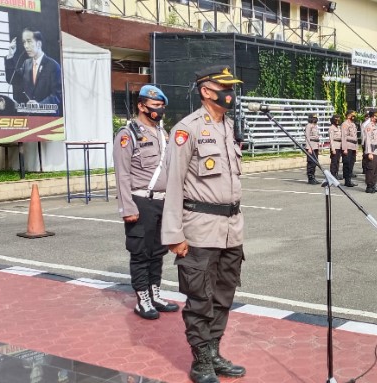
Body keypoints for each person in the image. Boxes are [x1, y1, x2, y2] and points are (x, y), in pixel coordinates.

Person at [161, 66, 246, 383]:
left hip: (231, 230)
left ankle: (213, 352)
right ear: (206, 91)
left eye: (231, 87)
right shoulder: (187, 129)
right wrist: (173, 234)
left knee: (223, 297)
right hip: (199, 230)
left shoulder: (229, 127)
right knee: (200, 300)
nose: (230, 92)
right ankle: (200, 363)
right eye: (225, 87)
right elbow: (173, 183)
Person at [113, 85, 178, 320]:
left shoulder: (163, 134)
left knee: (158, 252)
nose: (160, 111)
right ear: (142, 106)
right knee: (140, 253)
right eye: (155, 106)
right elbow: (122, 174)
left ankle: (155, 293)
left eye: (162, 107)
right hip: (140, 202)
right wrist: (127, 207)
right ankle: (142, 299)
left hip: (162, 202)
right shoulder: (127, 134)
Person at [4, 28, 62, 112]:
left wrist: (39, 105)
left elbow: (57, 95)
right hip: (31, 116)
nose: (26, 46)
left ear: (38, 44)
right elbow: (12, 79)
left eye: (29, 41)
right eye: (24, 42)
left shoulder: (53, 66)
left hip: (48, 117)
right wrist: (10, 56)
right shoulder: (26, 64)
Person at [364, 111, 377, 193]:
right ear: (372, 117)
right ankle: (369, 186)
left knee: (376, 169)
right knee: (371, 169)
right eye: (376, 116)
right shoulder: (369, 126)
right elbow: (368, 140)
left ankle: (373, 185)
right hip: (372, 150)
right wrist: (369, 152)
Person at [341, 110, 359, 187]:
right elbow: (343, 137)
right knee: (347, 164)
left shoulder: (353, 124)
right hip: (347, 146)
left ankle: (349, 179)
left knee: (351, 163)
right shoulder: (345, 124)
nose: (354, 116)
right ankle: (347, 180)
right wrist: (344, 148)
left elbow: (355, 137)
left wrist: (357, 147)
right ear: (348, 116)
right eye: (352, 115)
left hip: (353, 147)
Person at [304, 113, 321, 184]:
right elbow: (307, 137)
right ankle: (310, 178)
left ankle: (313, 177)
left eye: (316, 118)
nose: (315, 119)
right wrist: (309, 148)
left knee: (315, 162)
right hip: (311, 145)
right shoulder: (308, 126)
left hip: (315, 145)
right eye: (314, 118)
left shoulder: (315, 126)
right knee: (311, 162)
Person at [328, 114, 342, 180]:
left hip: (339, 146)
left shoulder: (339, 127)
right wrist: (333, 149)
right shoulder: (331, 128)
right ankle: (332, 174)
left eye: (338, 119)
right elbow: (331, 139)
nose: (338, 120)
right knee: (334, 161)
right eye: (336, 119)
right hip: (335, 146)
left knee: (337, 161)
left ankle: (336, 173)